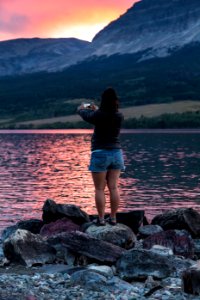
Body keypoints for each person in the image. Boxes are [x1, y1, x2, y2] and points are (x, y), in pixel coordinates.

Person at [77, 87, 125, 226]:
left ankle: (102, 219)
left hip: (100, 154)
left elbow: (81, 110)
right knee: (113, 187)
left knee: (99, 189)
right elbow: (104, 112)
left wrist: (86, 105)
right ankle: (114, 218)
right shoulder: (119, 116)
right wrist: (96, 108)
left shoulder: (97, 115)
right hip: (116, 154)